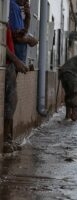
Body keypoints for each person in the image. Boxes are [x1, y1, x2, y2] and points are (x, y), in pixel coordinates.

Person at [3, 23, 29, 153]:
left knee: (11, 103)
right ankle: (5, 141)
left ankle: (8, 139)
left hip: (10, 65)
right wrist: (16, 61)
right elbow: (2, 44)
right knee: (10, 103)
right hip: (7, 65)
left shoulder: (7, 19)